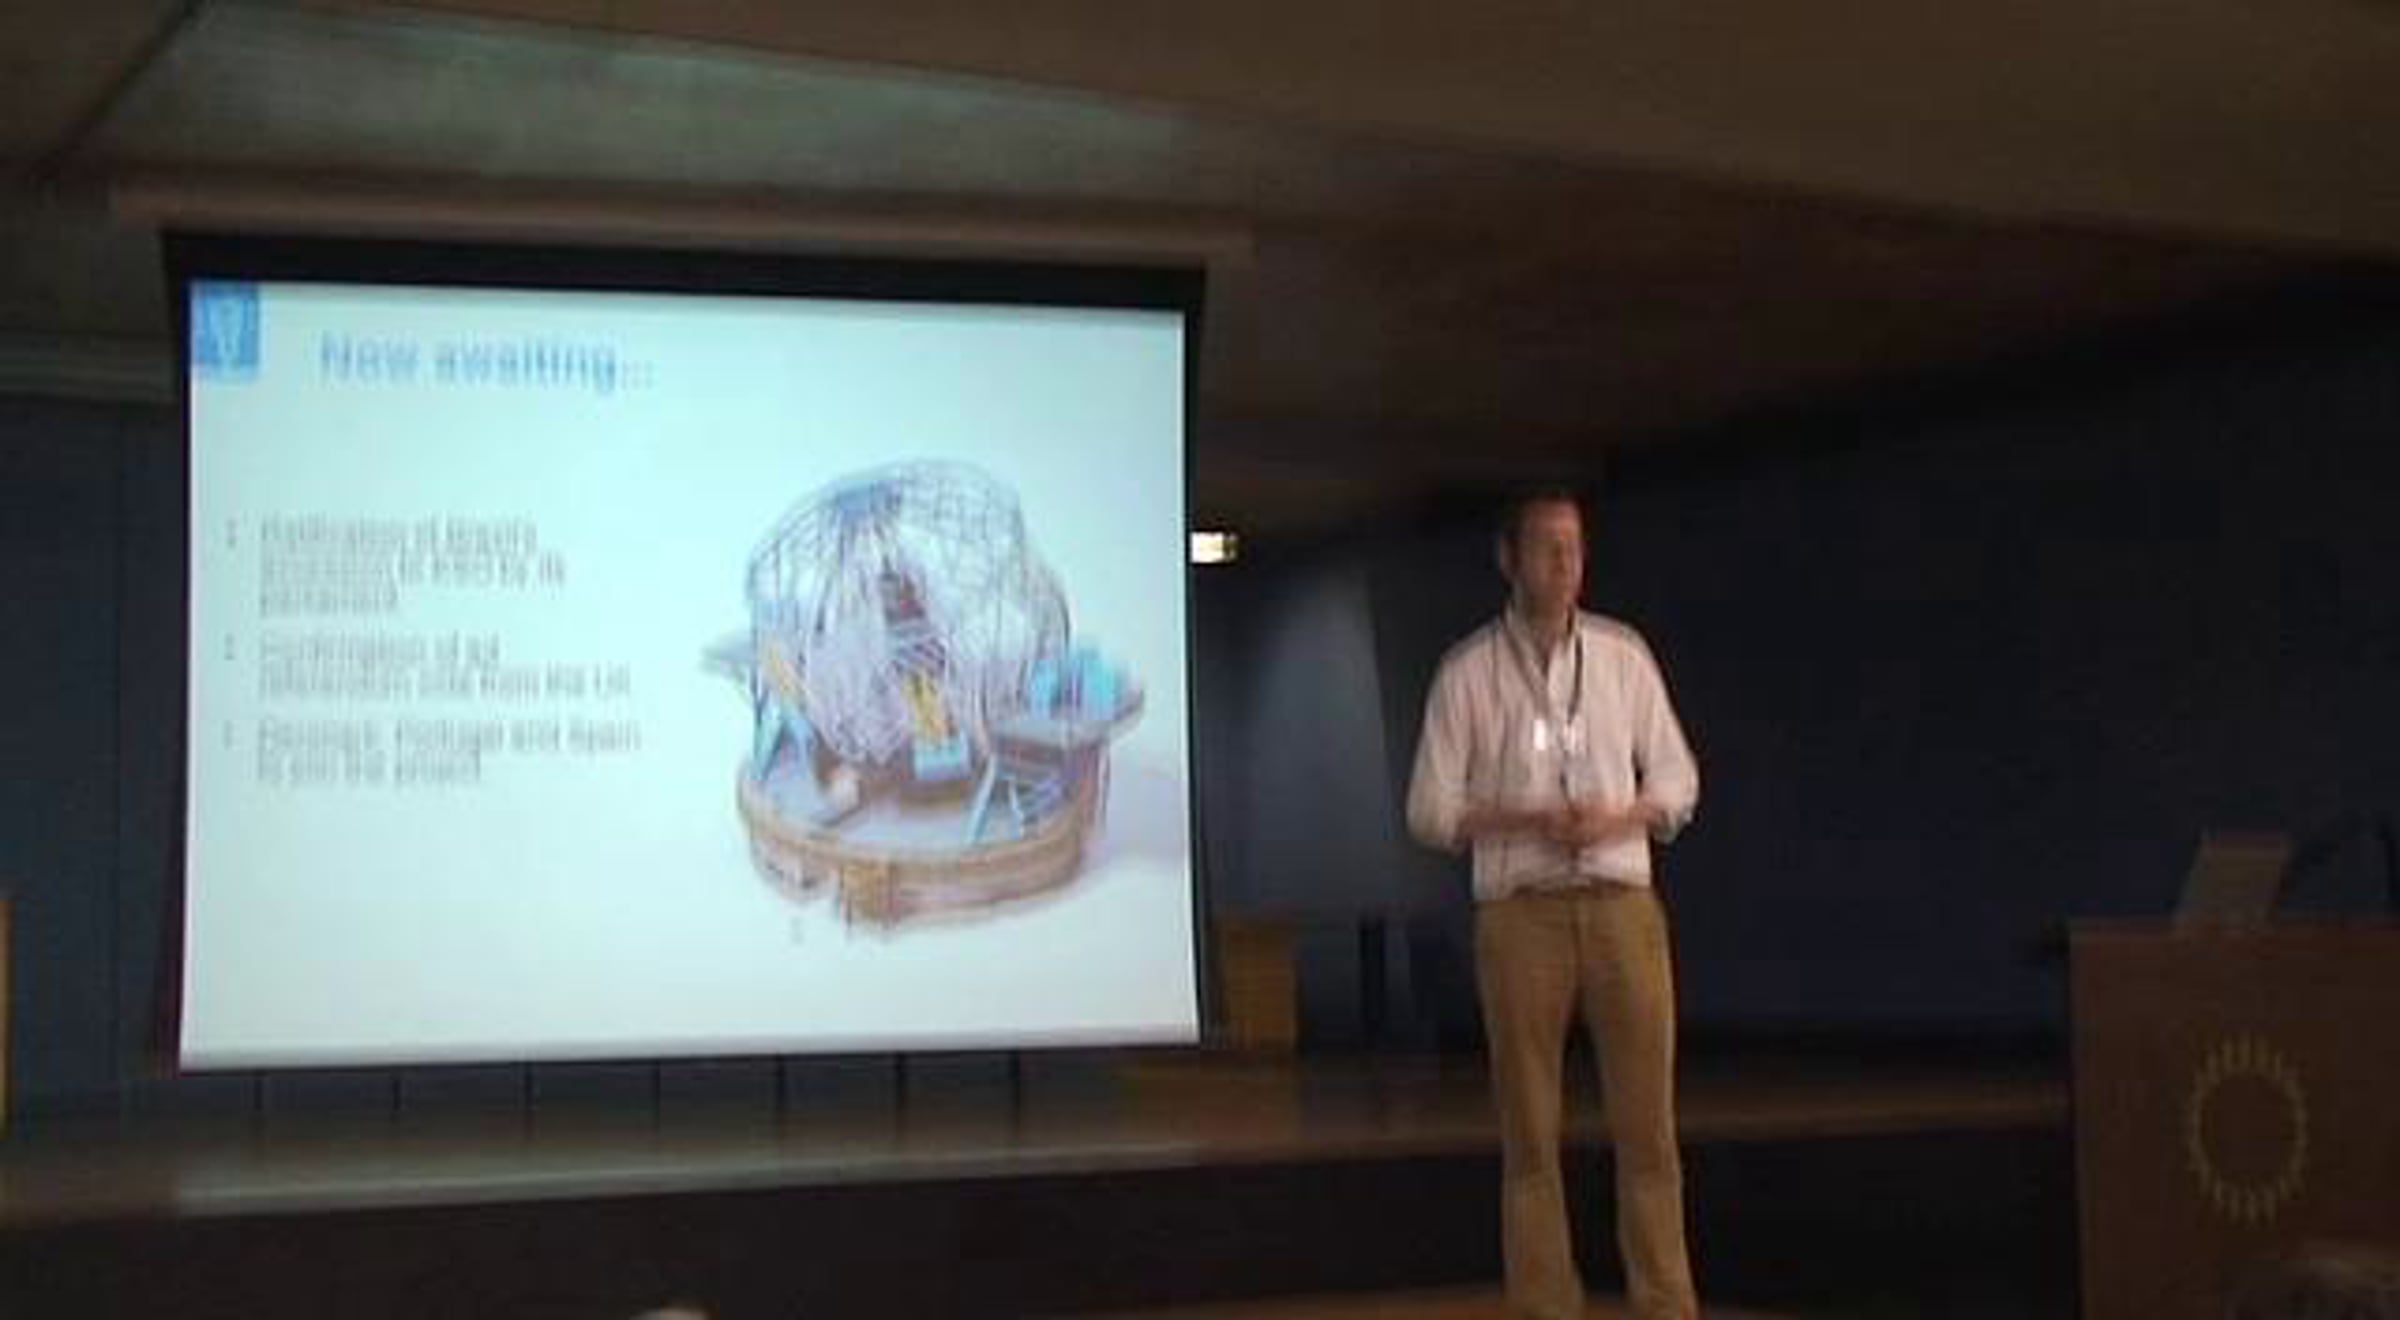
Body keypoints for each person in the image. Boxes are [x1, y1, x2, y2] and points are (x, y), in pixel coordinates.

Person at [1406, 486, 1701, 1320]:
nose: (1566, 562)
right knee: (1530, 1132)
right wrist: (1526, 818)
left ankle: (1666, 1301)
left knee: (1649, 1128)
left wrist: (1622, 814)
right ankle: (1545, 1303)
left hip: (1620, 904)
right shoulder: (1468, 671)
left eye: (1574, 545)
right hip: (1521, 912)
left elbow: (1679, 778)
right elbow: (1428, 809)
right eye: (1546, 546)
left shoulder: (1620, 656)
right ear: (1508, 559)